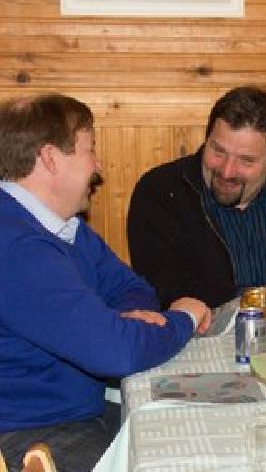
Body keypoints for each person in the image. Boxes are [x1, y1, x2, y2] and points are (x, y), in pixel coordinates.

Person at [0, 94, 211, 471]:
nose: (98, 166)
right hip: (29, 436)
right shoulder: (16, 247)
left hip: (80, 412)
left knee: (199, 437)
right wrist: (185, 318)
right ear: (50, 158)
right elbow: (117, 353)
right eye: (90, 149)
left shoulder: (63, 226)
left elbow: (133, 288)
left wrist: (125, 321)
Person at [128, 86, 266, 309]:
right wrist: (255, 298)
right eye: (218, 151)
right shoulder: (161, 192)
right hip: (203, 330)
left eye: (246, 160)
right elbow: (165, 291)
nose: (227, 171)